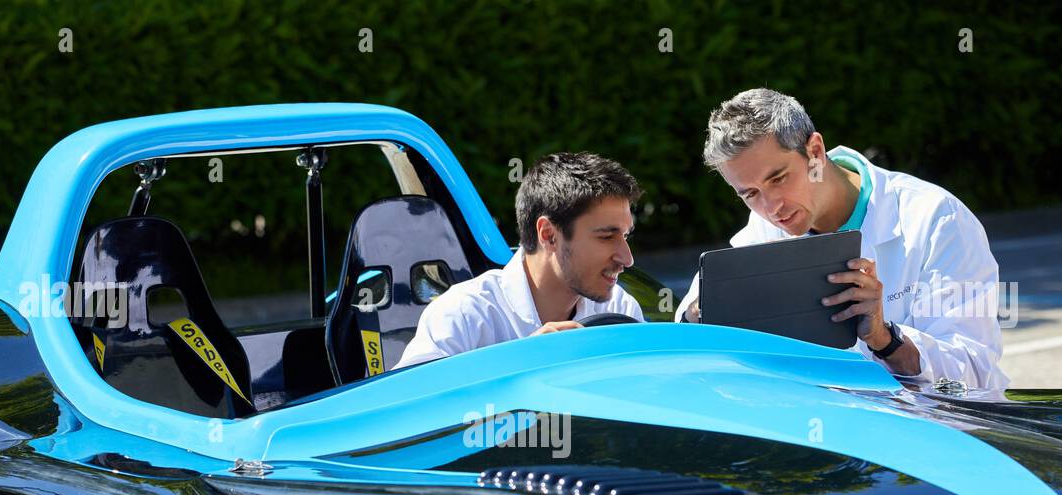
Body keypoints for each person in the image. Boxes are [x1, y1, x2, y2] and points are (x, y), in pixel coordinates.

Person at [677, 88, 1008, 390]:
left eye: (778, 178)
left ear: (816, 152)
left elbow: (974, 373)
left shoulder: (935, 218)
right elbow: (685, 339)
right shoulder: (761, 234)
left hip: (941, 440)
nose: (770, 207)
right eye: (750, 194)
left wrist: (886, 339)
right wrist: (702, 312)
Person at [395, 152, 644, 368]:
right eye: (607, 236)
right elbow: (405, 409)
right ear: (548, 235)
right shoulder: (463, 315)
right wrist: (518, 364)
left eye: (625, 236)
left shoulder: (620, 309)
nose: (627, 258)